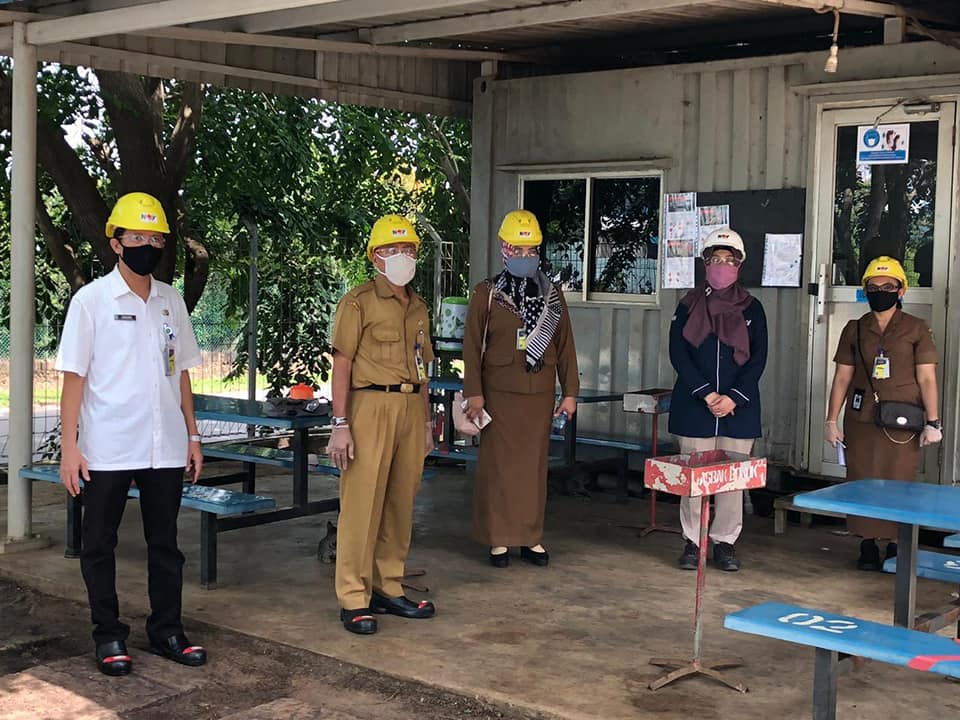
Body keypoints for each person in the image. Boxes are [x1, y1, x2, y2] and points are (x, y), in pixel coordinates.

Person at [55, 192, 207, 676]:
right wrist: (69, 448)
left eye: (155, 238)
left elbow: (181, 372)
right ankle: (109, 635)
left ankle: (167, 630)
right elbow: (73, 379)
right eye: (137, 237)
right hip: (107, 447)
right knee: (99, 544)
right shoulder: (91, 302)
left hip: (165, 446)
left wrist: (193, 436)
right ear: (116, 243)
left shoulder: (170, 301)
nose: (147, 246)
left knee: (166, 545)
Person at [326, 214, 436, 635]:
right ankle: (354, 597)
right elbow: (342, 363)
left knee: (400, 502)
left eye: (407, 249)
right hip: (369, 405)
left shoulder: (419, 307)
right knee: (362, 503)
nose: (401, 256)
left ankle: (388, 586)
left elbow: (422, 369)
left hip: (410, 407)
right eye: (392, 250)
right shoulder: (358, 302)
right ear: (375, 257)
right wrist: (340, 423)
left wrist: (426, 422)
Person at [463, 209, 579, 568]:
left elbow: (565, 346)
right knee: (499, 468)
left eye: (531, 251)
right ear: (504, 248)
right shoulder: (487, 293)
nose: (525, 256)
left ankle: (530, 537)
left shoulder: (551, 294)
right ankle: (499, 538)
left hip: (539, 395)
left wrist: (570, 392)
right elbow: (471, 347)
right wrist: (473, 392)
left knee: (533, 469)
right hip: (498, 394)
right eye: (518, 249)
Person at [825, 256, 941, 570]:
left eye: (888, 287)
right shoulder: (855, 329)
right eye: (874, 287)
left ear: (901, 291)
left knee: (898, 481)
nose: (881, 292)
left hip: (903, 421)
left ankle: (893, 544)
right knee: (861, 479)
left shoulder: (916, 328)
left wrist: (933, 422)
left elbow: (927, 378)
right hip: (862, 418)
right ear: (865, 291)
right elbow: (842, 377)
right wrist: (831, 420)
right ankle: (866, 543)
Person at [668, 228, 767, 572]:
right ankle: (692, 541)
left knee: (731, 479)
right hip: (695, 405)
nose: (721, 266)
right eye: (715, 259)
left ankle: (725, 542)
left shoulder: (753, 308)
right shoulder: (687, 305)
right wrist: (707, 393)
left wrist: (733, 398)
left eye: (729, 260)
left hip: (738, 409)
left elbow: (758, 359)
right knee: (693, 478)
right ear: (705, 263)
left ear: (739, 265)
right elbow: (678, 354)